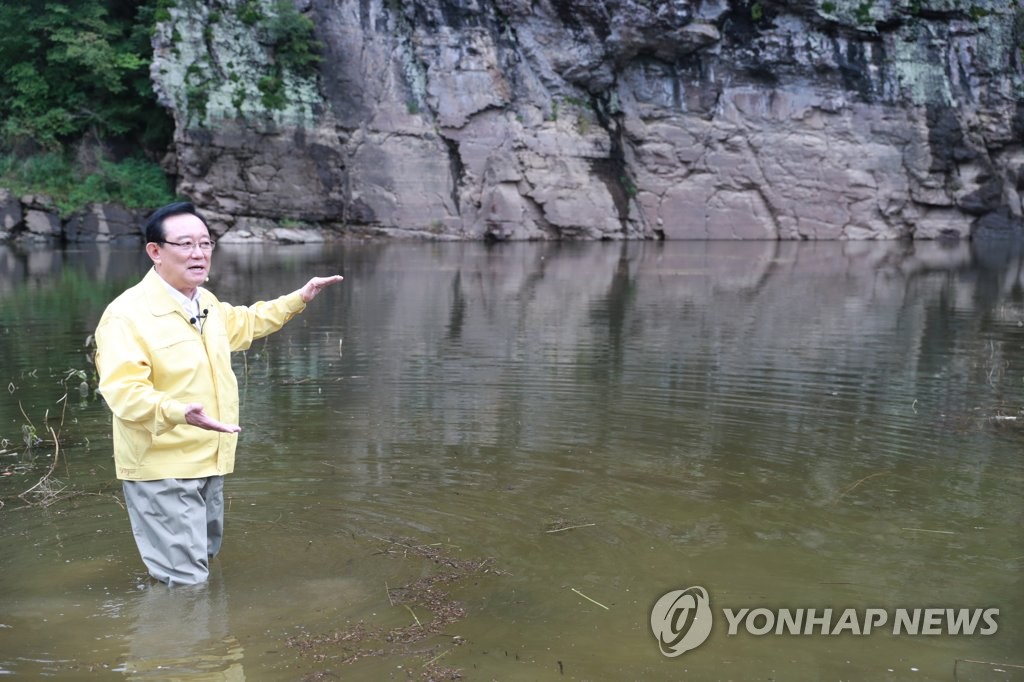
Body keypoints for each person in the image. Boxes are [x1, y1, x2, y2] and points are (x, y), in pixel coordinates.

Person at [94, 201, 343, 586]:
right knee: (187, 580)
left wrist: (299, 298)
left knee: (202, 560)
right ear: (155, 252)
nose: (199, 253)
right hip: (161, 464)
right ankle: (185, 641)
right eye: (186, 244)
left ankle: (192, 637)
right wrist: (179, 412)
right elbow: (123, 392)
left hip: (209, 457)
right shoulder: (126, 315)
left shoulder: (203, 302)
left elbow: (244, 322)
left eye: (206, 243)